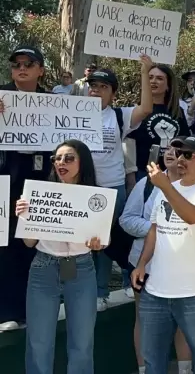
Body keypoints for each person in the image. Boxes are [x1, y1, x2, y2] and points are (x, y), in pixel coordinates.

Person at [131, 135, 195, 374]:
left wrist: (164, 186)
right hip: (155, 290)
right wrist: (142, 263)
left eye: (188, 155)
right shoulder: (168, 187)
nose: (181, 159)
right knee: (152, 357)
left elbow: (193, 216)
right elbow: (155, 228)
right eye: (179, 153)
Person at [15, 140, 104, 374]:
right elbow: (28, 242)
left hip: (82, 268)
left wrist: (97, 243)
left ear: (82, 161)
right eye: (56, 158)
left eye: (68, 158)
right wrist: (24, 217)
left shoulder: (95, 195)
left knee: (83, 343)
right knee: (39, 343)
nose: (60, 162)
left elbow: (103, 239)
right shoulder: (39, 194)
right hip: (43, 268)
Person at [85, 60, 155, 311]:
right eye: (92, 86)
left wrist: (145, 71)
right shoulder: (70, 111)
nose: (96, 90)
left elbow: (146, 108)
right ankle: (89, 291)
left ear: (112, 93)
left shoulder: (118, 115)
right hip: (81, 189)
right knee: (86, 243)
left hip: (112, 188)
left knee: (110, 241)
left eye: (103, 87)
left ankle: (105, 292)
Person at [120, 144, 193, 374]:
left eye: (180, 151)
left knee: (184, 320)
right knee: (143, 319)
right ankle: (144, 369)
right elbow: (126, 219)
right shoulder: (145, 184)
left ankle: (185, 369)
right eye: (169, 149)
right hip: (146, 264)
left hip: (184, 265)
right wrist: (157, 229)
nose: (172, 153)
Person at [0, 45, 53, 331]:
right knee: (5, 247)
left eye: (28, 64)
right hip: (4, 182)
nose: (21, 68)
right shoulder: (0, 96)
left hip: (40, 183)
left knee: (34, 247)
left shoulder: (54, 102)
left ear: (40, 71)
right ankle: (7, 310)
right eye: (16, 64)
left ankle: (33, 311)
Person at [128, 64, 190, 181]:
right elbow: (129, 145)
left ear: (168, 85)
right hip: (143, 173)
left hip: (172, 173)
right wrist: (130, 177)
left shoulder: (177, 111)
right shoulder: (137, 111)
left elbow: (185, 141)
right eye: (150, 77)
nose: (153, 81)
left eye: (159, 78)